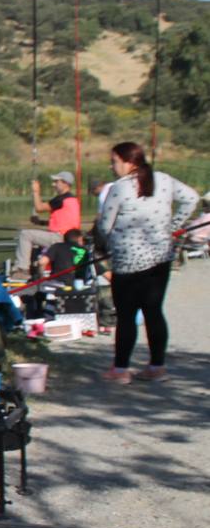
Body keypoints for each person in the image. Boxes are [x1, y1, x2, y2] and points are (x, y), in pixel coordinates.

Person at [96, 141, 198, 383]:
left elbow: (104, 225)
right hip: (160, 257)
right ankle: (157, 367)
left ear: (128, 162)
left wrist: (108, 244)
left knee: (126, 315)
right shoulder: (163, 179)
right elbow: (192, 198)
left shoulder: (119, 188)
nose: (112, 167)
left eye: (114, 162)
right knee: (154, 311)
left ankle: (120, 370)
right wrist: (172, 228)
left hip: (128, 262)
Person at [11, 171, 81, 280]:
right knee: (33, 241)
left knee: (25, 234)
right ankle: (34, 270)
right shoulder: (72, 199)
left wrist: (35, 191)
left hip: (59, 238)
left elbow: (39, 208)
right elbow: (63, 221)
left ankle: (22, 269)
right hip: (68, 238)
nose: (53, 184)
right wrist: (41, 222)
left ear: (65, 183)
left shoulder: (61, 199)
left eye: (56, 181)